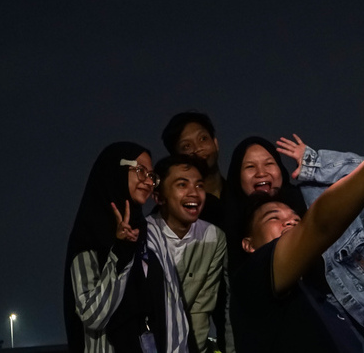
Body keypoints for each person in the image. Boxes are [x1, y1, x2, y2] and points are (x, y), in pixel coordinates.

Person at [227, 92, 364, 353]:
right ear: (247, 244)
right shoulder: (251, 277)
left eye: (269, 163)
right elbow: (319, 223)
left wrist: (315, 161)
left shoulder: (309, 197)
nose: (290, 222)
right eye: (249, 167)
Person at [64, 142, 193, 353]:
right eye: (140, 171)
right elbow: (93, 315)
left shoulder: (149, 233)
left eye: (152, 176)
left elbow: (173, 308)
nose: (148, 181)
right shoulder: (89, 236)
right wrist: (120, 253)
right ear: (115, 171)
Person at [148, 154, 235, 353]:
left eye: (199, 185)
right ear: (158, 196)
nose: (194, 193)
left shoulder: (213, 238)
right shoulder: (143, 237)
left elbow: (200, 310)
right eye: (182, 185)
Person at [162, 112, 226, 226]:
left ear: (215, 143)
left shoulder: (242, 196)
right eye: (187, 146)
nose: (197, 148)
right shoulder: (169, 213)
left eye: (203, 138)